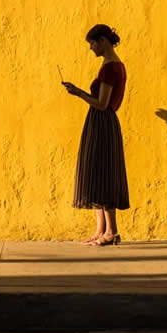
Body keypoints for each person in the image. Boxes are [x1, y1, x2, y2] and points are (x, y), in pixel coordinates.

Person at [62, 24, 129, 246]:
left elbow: (102, 103)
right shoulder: (113, 65)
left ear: (102, 41)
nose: (91, 48)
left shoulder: (110, 68)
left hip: (102, 123)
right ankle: (101, 230)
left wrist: (78, 92)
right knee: (97, 174)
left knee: (103, 174)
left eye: (92, 43)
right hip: (101, 123)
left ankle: (111, 232)